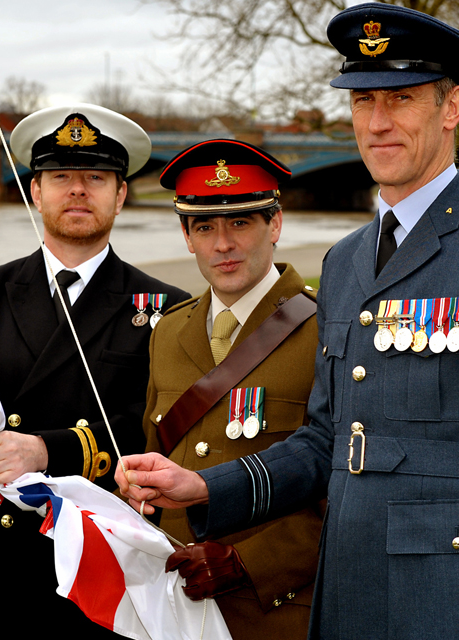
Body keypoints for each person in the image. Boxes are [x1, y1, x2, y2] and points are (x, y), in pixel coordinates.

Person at [116, 5, 459, 640]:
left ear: (452, 108)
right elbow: (326, 440)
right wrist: (200, 485)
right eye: (363, 102)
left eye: (403, 98)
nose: (379, 123)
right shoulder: (345, 261)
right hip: (345, 592)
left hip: (451, 601)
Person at [0, 104, 189, 639]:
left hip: (99, 585)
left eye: (96, 177)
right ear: (35, 192)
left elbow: (163, 433)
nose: (78, 190)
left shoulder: (168, 308)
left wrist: (49, 449)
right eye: (61, 177)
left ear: (121, 195)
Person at [143, 139, 322, 639]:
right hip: (172, 612)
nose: (223, 244)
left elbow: (346, 489)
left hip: (274, 613)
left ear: (276, 225)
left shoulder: (328, 329)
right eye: (205, 226)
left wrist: (247, 563)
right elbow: (158, 454)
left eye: (241, 222)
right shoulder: (168, 333)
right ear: (187, 236)